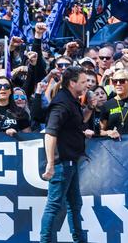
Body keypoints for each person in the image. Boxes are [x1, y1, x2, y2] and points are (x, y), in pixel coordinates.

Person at [40, 66, 92, 243]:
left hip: (71, 161)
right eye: (84, 82)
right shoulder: (62, 102)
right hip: (62, 162)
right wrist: (50, 163)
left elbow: (71, 125)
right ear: (72, 83)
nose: (87, 85)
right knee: (54, 206)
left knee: (75, 205)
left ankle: (79, 240)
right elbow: (50, 132)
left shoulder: (71, 100)